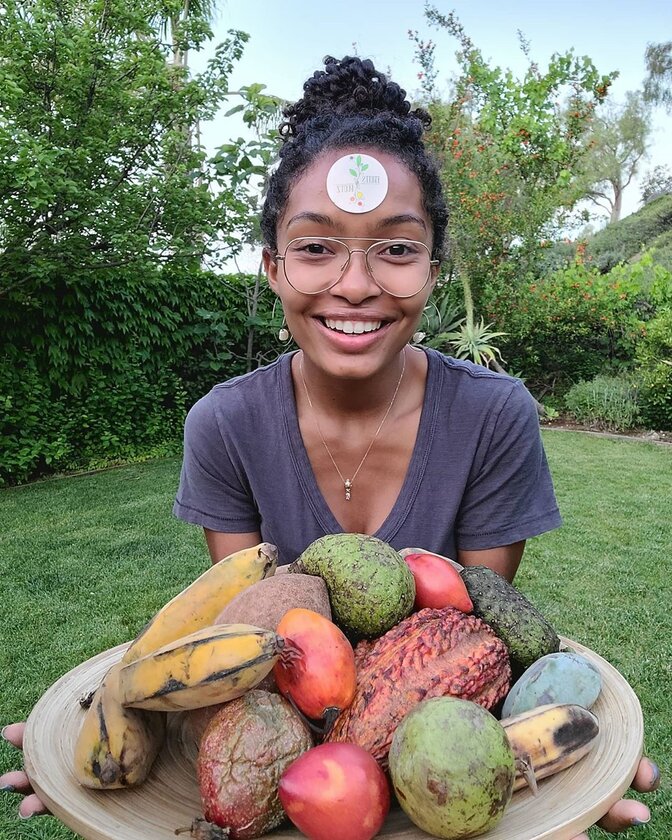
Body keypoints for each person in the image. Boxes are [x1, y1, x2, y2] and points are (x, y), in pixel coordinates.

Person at [1, 55, 659, 832]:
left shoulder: (495, 416)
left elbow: (478, 641)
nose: (354, 284)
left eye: (396, 248)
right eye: (316, 248)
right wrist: (122, 723)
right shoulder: (225, 425)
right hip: (304, 760)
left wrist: (526, 773)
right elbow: (257, 643)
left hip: (427, 753)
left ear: (433, 272)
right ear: (273, 268)